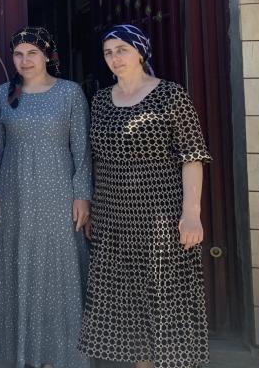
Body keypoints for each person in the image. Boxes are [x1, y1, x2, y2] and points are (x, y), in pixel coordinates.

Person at [79, 24, 211, 368]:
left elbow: (192, 156)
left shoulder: (170, 95)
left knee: (165, 297)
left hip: (161, 216)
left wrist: (191, 213)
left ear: (140, 52)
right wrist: (93, 208)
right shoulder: (101, 100)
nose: (115, 58)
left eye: (122, 49)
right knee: (126, 304)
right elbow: (96, 160)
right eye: (108, 52)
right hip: (113, 219)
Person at [0, 27, 91, 368]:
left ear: (46, 55)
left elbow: (82, 150)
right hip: (14, 198)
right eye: (18, 54)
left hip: (59, 197)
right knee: (19, 270)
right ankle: (23, 356)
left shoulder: (70, 93)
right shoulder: (2, 95)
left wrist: (82, 195)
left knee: (58, 273)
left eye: (32, 53)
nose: (25, 60)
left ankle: (61, 357)